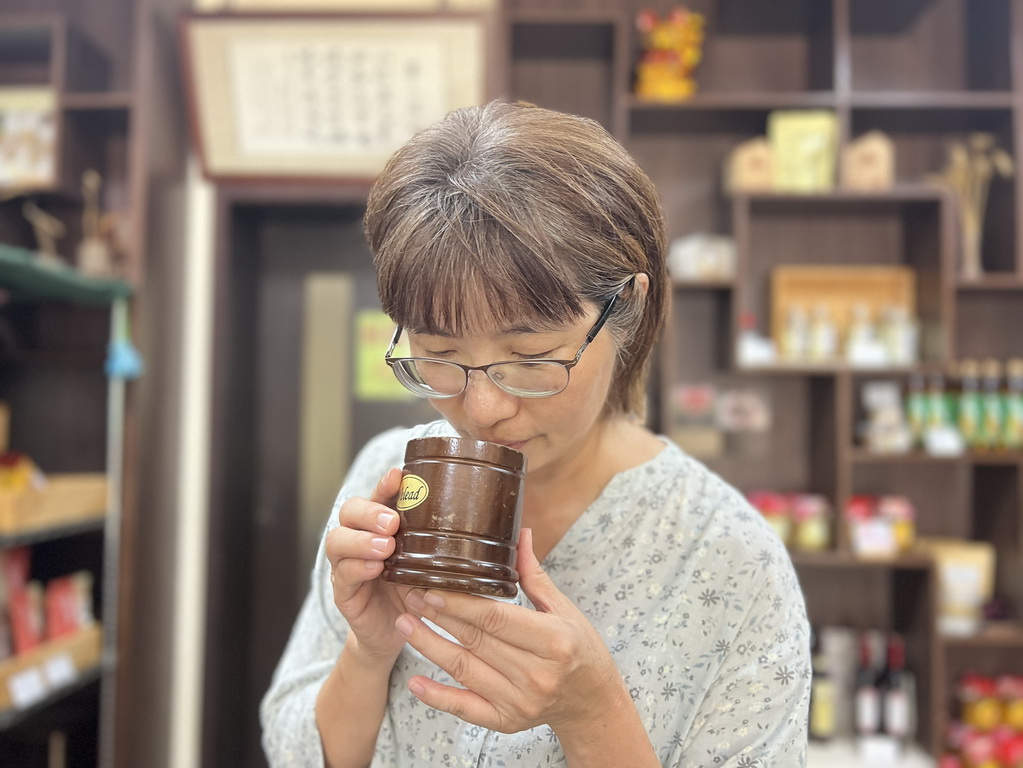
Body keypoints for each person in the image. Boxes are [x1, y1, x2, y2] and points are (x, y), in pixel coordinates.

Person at [261, 100, 809, 768]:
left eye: (529, 357)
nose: (483, 407)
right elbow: (296, 749)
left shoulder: (729, 558)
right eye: (440, 354)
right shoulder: (393, 475)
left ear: (628, 306)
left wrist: (593, 713)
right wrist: (369, 649)